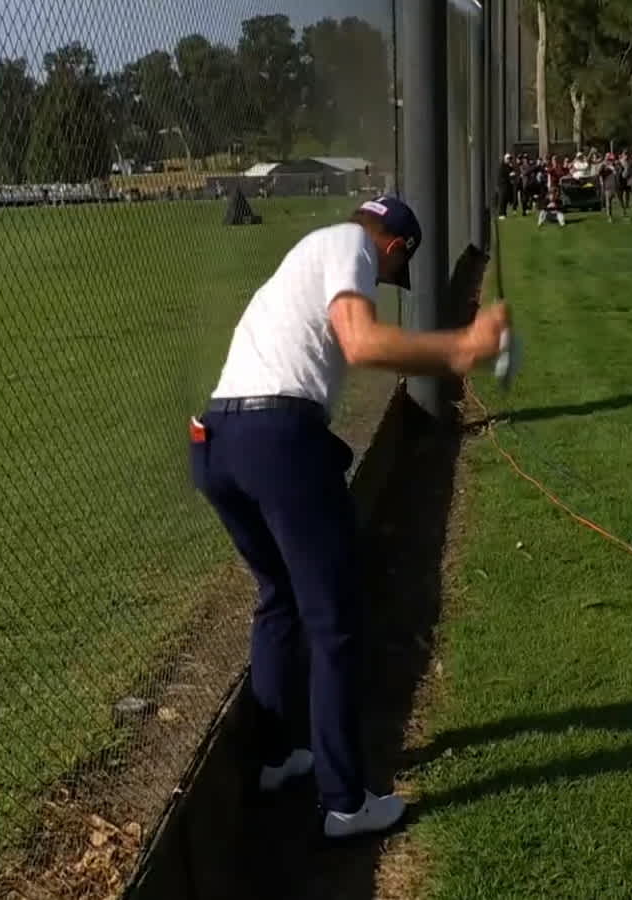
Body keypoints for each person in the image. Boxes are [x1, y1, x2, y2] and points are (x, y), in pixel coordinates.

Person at [192, 194, 511, 839]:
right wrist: (460, 346)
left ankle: (278, 758)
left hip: (216, 443)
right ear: (393, 247)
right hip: (277, 441)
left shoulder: (306, 256)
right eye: (394, 273)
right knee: (334, 622)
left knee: (280, 598)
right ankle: (345, 803)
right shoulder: (351, 246)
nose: (384, 281)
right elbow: (360, 341)